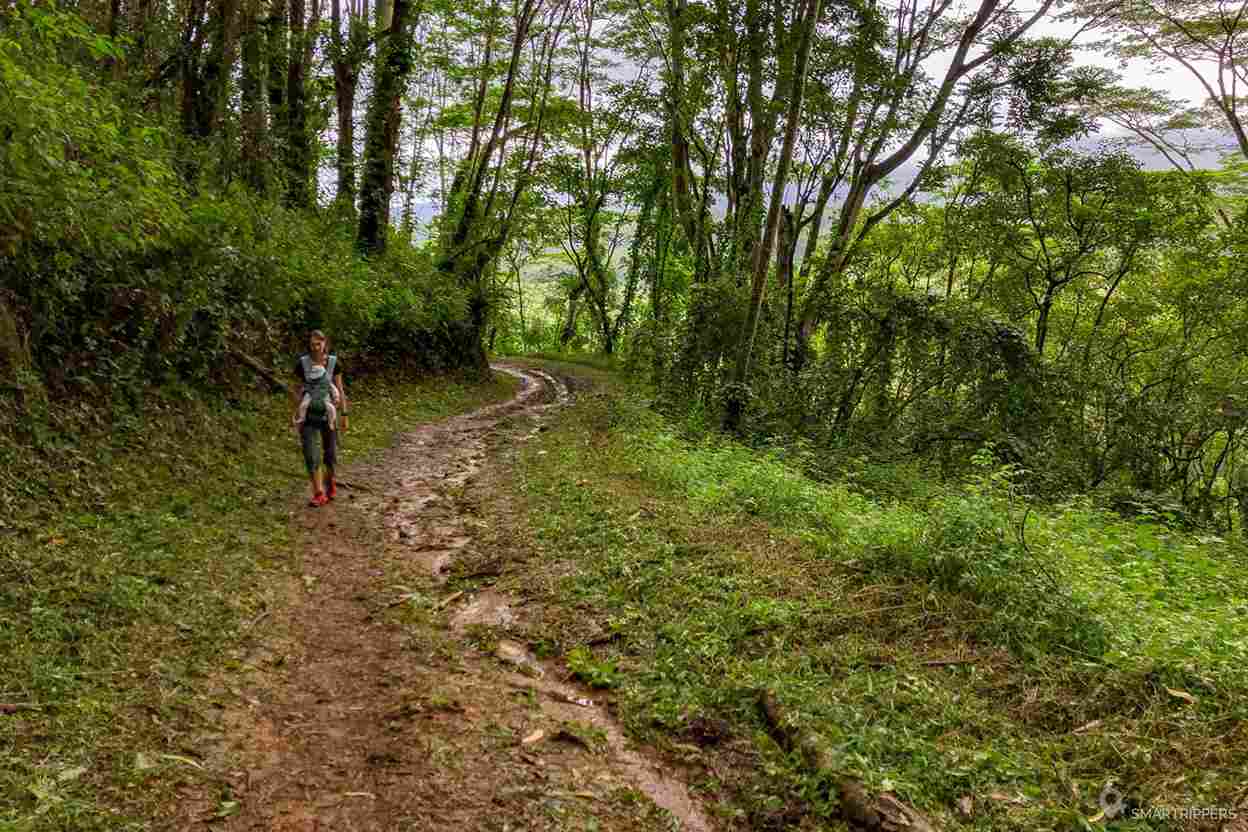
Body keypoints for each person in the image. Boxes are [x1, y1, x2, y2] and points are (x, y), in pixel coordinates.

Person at [291, 330, 348, 507]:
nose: (315, 347)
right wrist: (296, 412)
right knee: (310, 454)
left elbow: (340, 389)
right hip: (308, 416)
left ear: (325, 343)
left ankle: (330, 482)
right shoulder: (302, 364)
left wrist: (344, 414)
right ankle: (318, 493)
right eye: (312, 344)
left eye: (319, 343)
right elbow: (297, 390)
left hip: (328, 415)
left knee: (330, 455)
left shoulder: (334, 363)